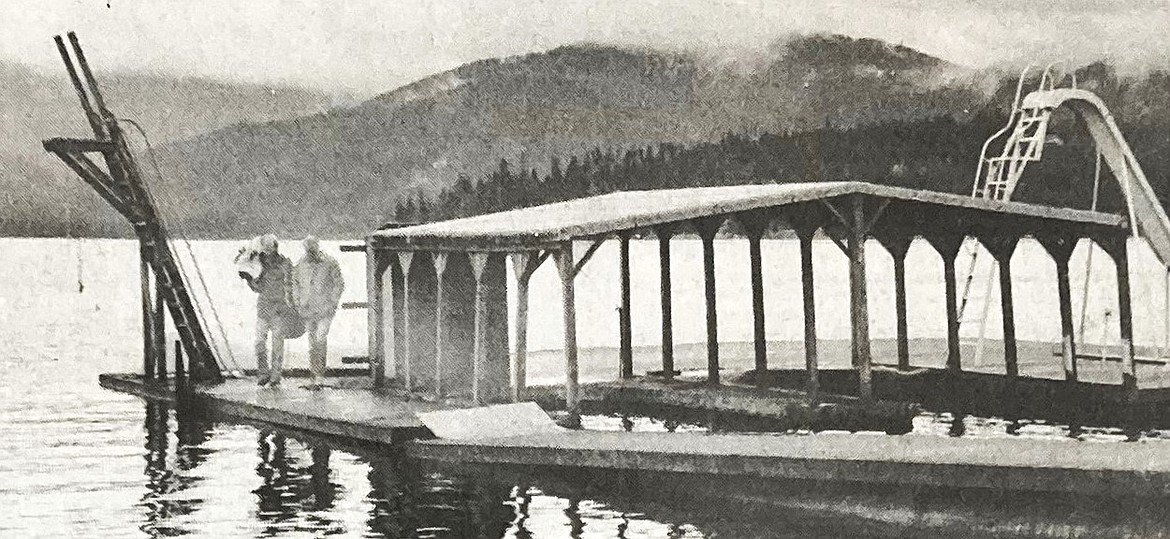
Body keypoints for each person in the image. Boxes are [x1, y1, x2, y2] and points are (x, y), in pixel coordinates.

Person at [292, 236, 345, 389]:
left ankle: (319, 374)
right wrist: (297, 302)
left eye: (312, 249)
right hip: (307, 309)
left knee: (320, 338)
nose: (310, 252)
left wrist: (333, 302)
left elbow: (339, 283)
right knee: (312, 341)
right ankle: (314, 374)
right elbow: (295, 285)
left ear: (317, 247)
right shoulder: (300, 264)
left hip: (325, 309)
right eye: (308, 249)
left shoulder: (330, 263)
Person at [245, 234, 295, 387]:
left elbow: (291, 285)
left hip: (279, 309)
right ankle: (263, 373)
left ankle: (275, 376)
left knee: (277, 343)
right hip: (264, 309)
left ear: (275, 247)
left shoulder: (286, 263)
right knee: (259, 341)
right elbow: (257, 287)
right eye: (265, 249)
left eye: (269, 249)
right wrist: (249, 279)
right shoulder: (259, 264)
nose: (267, 252)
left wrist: (291, 304)